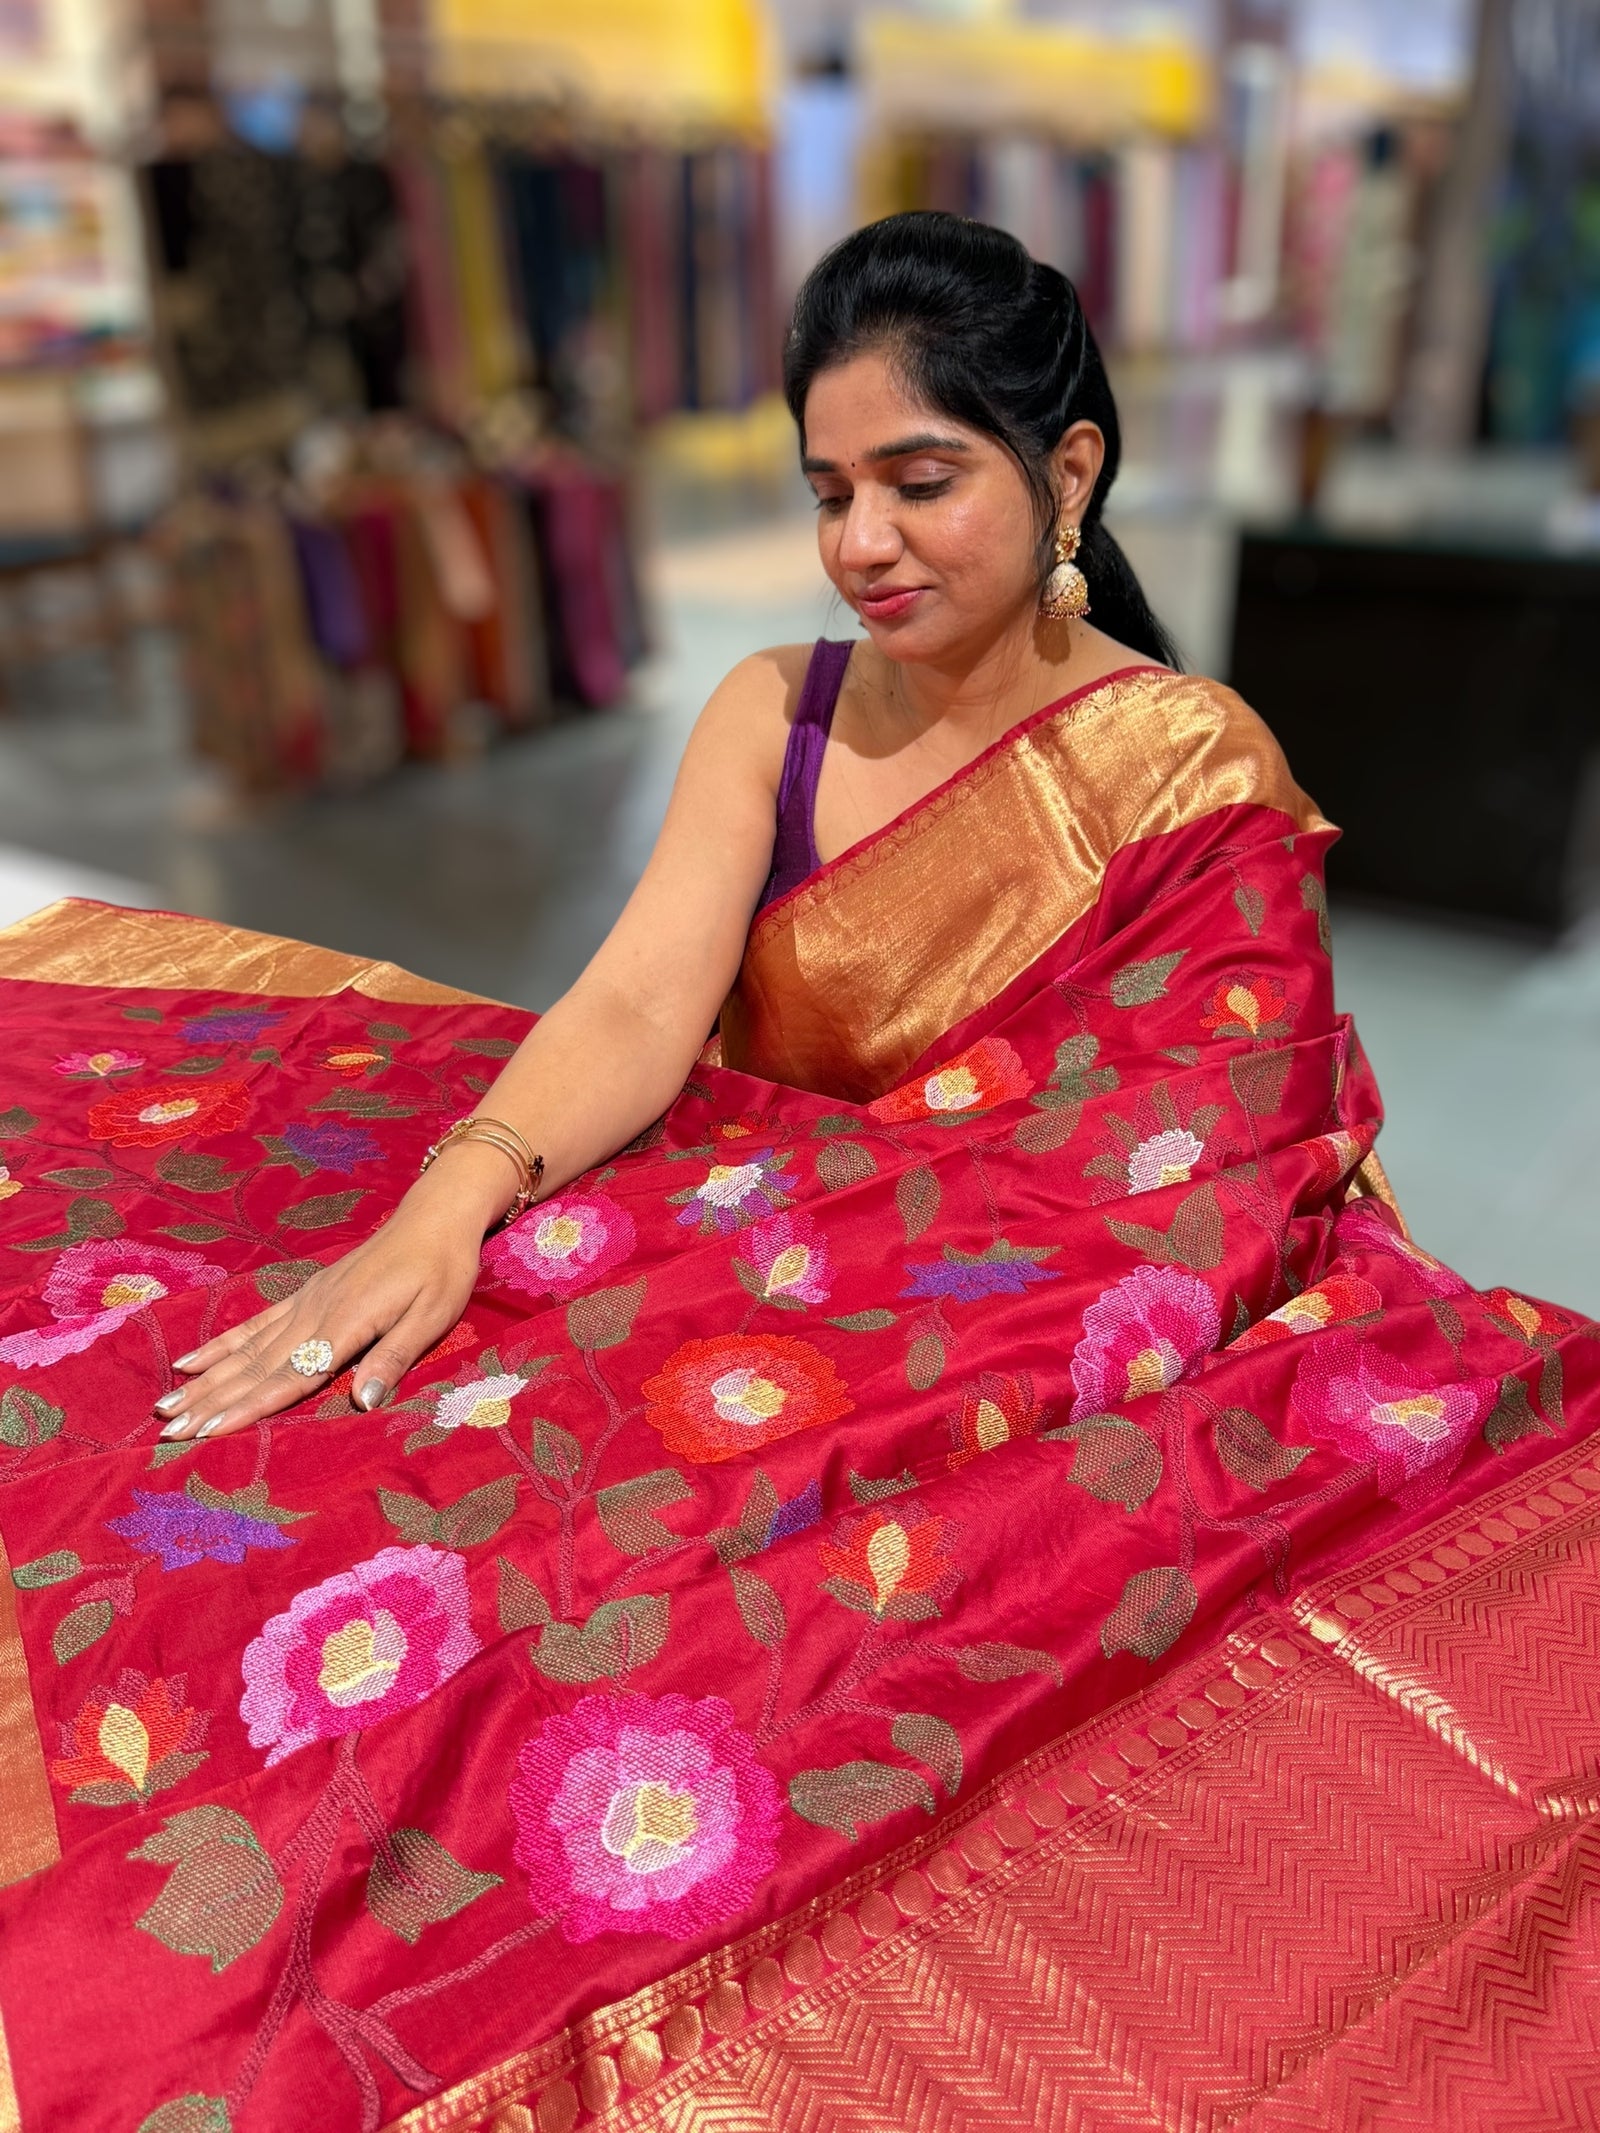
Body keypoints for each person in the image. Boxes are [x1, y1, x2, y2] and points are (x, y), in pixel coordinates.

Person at [1, 214, 1595, 2130]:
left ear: (1068, 467)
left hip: (990, 1300)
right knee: (278, 1486)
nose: (862, 542)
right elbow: (637, 1004)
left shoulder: (1187, 767)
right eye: (830, 488)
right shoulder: (784, 705)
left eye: (921, 481)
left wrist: (887, 1299)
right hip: (743, 1241)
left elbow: (1212, 1186)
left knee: (635, 1646)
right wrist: (446, 1199)